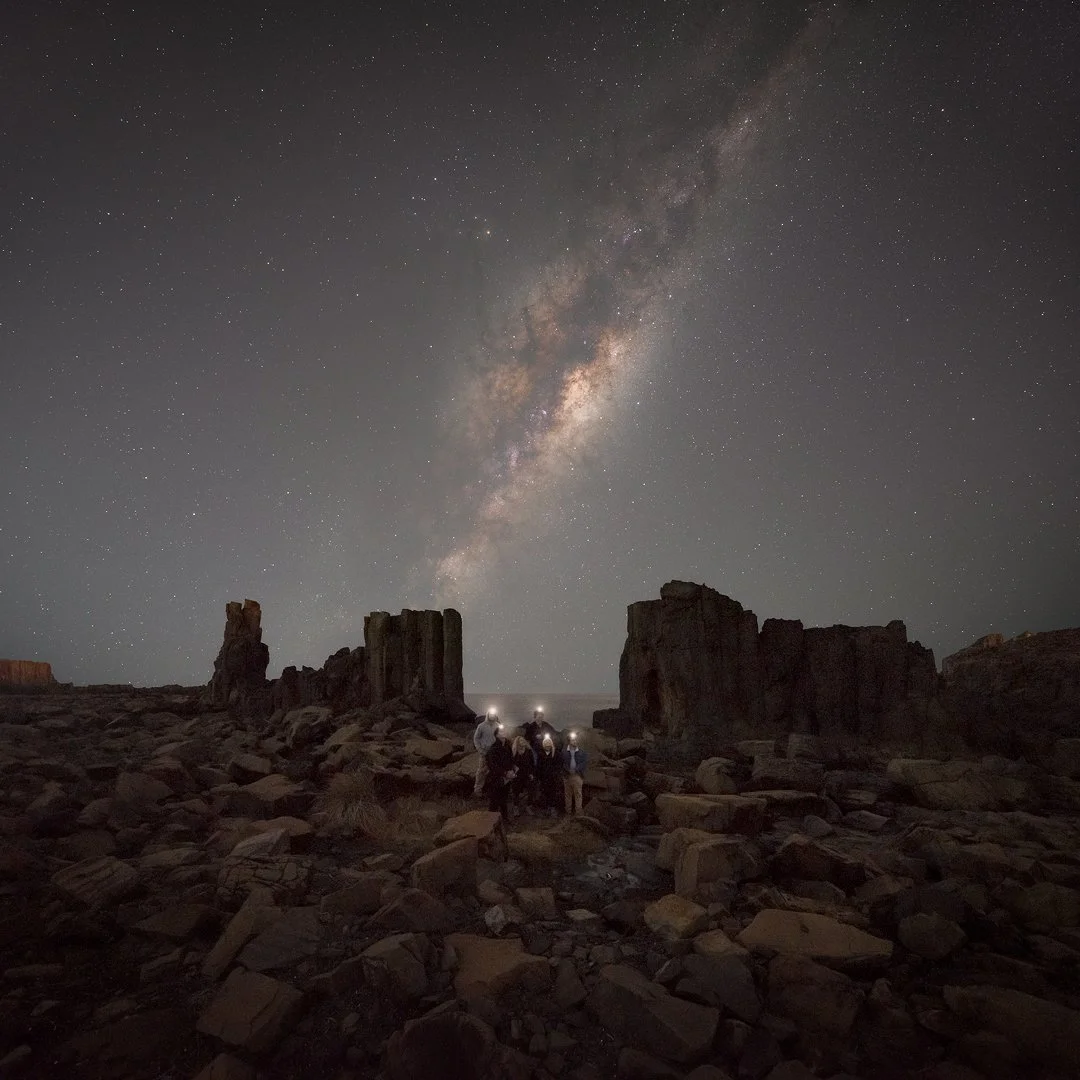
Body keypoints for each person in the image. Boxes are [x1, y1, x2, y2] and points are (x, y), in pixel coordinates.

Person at [482, 726, 517, 819]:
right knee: (494, 801)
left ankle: (504, 820)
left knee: (503, 800)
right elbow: (492, 765)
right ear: (497, 735)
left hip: (507, 778)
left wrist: (512, 770)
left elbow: (510, 761)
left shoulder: (507, 747)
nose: (504, 732)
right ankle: (490, 824)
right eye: (501, 731)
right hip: (496, 778)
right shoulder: (493, 749)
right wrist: (505, 773)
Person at [472, 710, 500, 797]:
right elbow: (476, 738)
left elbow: (502, 738)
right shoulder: (481, 726)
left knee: (495, 771)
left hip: (495, 752)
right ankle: (478, 790)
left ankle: (493, 790)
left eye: (494, 714)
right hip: (484, 752)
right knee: (481, 772)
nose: (492, 715)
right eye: (491, 714)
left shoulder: (498, 726)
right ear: (488, 714)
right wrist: (480, 749)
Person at [561, 730, 588, 816]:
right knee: (568, 795)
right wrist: (568, 769)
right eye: (573, 740)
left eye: (576, 740)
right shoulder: (564, 752)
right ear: (569, 741)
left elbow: (584, 763)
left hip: (577, 775)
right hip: (567, 775)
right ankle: (568, 812)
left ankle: (578, 813)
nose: (575, 741)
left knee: (578, 794)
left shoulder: (582, 752)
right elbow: (562, 763)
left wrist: (576, 769)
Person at [534, 732, 560, 817]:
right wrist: (538, 777)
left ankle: (552, 808)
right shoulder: (541, 754)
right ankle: (546, 809)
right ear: (543, 744)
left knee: (553, 793)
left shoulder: (556, 754)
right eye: (546, 743)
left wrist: (555, 774)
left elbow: (559, 765)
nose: (547, 744)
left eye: (549, 743)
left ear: (551, 743)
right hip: (544, 778)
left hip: (553, 778)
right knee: (544, 793)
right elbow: (538, 766)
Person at [509, 734, 536, 814]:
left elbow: (532, 763)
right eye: (521, 740)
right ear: (517, 742)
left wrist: (531, 773)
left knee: (531, 791)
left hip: (527, 774)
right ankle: (516, 807)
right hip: (517, 775)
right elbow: (511, 763)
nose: (523, 741)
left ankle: (528, 806)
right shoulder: (514, 752)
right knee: (515, 792)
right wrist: (513, 770)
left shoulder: (529, 751)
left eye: (523, 740)